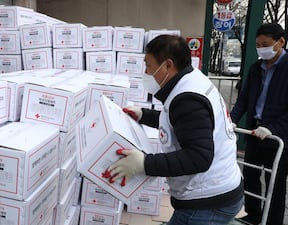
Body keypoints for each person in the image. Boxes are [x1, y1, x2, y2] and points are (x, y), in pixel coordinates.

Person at [102, 34, 244, 225]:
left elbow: (199, 157)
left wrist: (144, 163)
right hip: (221, 190)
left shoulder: (187, 99)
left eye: (148, 65)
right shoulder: (191, 80)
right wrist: (144, 115)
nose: (146, 72)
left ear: (168, 65)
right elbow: (181, 123)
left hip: (207, 202)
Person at [230, 23, 288, 225]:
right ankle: (253, 215)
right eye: (258, 44)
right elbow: (244, 99)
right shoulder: (256, 68)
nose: (261, 48)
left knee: (275, 183)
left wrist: (273, 128)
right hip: (255, 130)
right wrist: (232, 119)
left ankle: (272, 221)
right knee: (251, 175)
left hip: (278, 135)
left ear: (281, 42)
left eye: (266, 44)